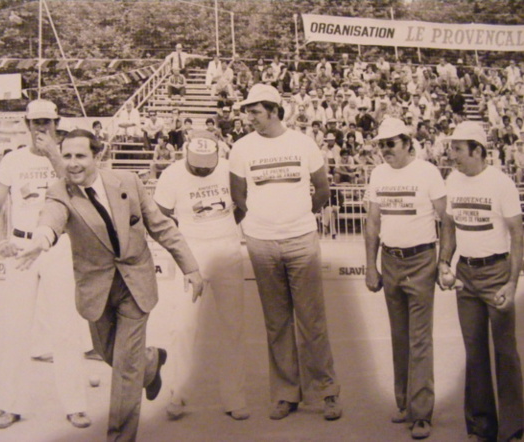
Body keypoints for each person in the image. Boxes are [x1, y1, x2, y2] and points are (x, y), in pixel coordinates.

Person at [16, 129, 204, 441]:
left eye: (80, 156)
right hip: (96, 288)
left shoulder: (127, 182)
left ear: (97, 156)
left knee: (125, 369)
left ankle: (119, 436)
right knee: (110, 355)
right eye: (67, 156)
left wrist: (191, 267)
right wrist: (41, 240)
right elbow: (51, 218)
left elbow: (160, 226)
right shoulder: (60, 191)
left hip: (135, 282)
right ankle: (150, 360)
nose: (73, 163)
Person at [229, 84, 342, 422]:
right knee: (276, 322)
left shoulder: (303, 143)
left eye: (255, 111)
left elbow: (322, 190)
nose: (250, 117)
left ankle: (328, 392)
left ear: (275, 110)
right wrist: (266, 220)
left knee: (312, 321)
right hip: (261, 243)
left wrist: (296, 216)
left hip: (301, 239)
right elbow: (239, 196)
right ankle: (285, 394)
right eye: (247, 111)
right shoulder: (241, 147)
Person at [0, 99, 91, 430]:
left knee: (65, 327)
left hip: (58, 245)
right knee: (16, 326)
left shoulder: (68, 157)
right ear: (26, 124)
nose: (41, 128)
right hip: (20, 244)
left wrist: (55, 156)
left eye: (47, 122)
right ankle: (9, 404)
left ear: (57, 123)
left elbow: (79, 194)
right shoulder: (13, 160)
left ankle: (75, 404)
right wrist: (1, 239)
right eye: (35, 123)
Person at [153, 130, 249, 421]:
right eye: (197, 166)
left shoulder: (230, 168)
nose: (203, 170)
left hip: (227, 251)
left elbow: (242, 206)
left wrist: (224, 230)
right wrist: (182, 244)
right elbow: (160, 215)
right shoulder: (170, 176)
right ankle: (177, 393)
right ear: (186, 155)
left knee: (233, 326)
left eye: (208, 165)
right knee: (183, 326)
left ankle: (234, 397)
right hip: (190, 253)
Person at [364, 117, 448, 440]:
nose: (385, 150)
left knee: (420, 339)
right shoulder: (377, 174)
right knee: (399, 336)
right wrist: (371, 266)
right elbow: (372, 222)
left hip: (422, 259)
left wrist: (443, 263)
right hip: (391, 259)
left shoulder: (427, 173)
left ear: (407, 143)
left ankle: (422, 412)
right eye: (381, 144)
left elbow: (446, 219)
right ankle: (404, 404)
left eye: (391, 143)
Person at [439, 121, 524, 442]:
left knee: (505, 351)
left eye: (458, 149)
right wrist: (444, 263)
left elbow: (517, 235)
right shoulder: (453, 180)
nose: (453, 155)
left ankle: (513, 428)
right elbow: (448, 225)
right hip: (466, 277)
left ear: (477, 150)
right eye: (452, 148)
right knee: (474, 353)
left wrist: (512, 283)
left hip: (497, 273)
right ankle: (481, 427)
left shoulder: (500, 184)